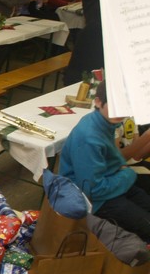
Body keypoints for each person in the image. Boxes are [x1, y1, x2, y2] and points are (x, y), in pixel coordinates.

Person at [59, 81, 150, 242]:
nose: (120, 112)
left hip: (110, 182)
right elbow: (93, 191)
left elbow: (115, 161)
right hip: (93, 199)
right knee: (145, 227)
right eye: (114, 106)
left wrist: (122, 171)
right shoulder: (89, 137)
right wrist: (127, 174)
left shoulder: (106, 122)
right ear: (98, 102)